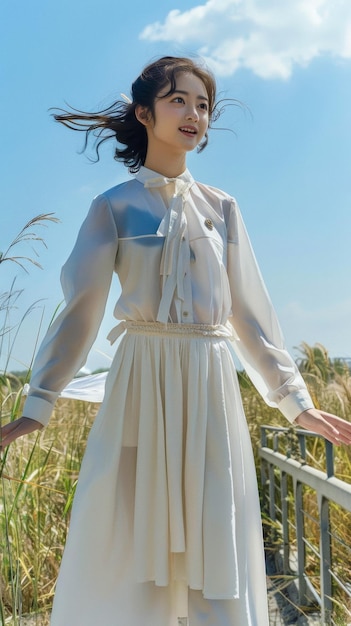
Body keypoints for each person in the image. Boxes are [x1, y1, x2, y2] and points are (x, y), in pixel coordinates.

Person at [1, 56, 351, 626]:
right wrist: (38, 404)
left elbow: (249, 317)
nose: (194, 114)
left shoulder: (224, 208)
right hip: (141, 381)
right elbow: (80, 311)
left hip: (211, 382)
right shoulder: (112, 206)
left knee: (218, 530)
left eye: (203, 105)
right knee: (124, 529)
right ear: (145, 112)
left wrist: (298, 405)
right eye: (178, 100)